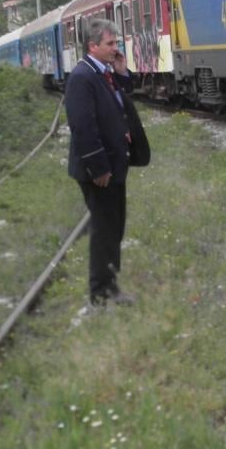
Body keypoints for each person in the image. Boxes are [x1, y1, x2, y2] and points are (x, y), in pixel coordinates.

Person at [65, 18, 137, 306]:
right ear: (92, 45)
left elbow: (118, 105)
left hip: (114, 167)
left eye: (116, 43)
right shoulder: (82, 77)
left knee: (114, 227)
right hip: (100, 171)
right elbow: (83, 126)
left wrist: (121, 74)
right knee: (104, 230)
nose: (115, 48)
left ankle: (111, 285)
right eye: (110, 44)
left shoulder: (104, 74)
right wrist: (99, 168)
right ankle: (100, 293)